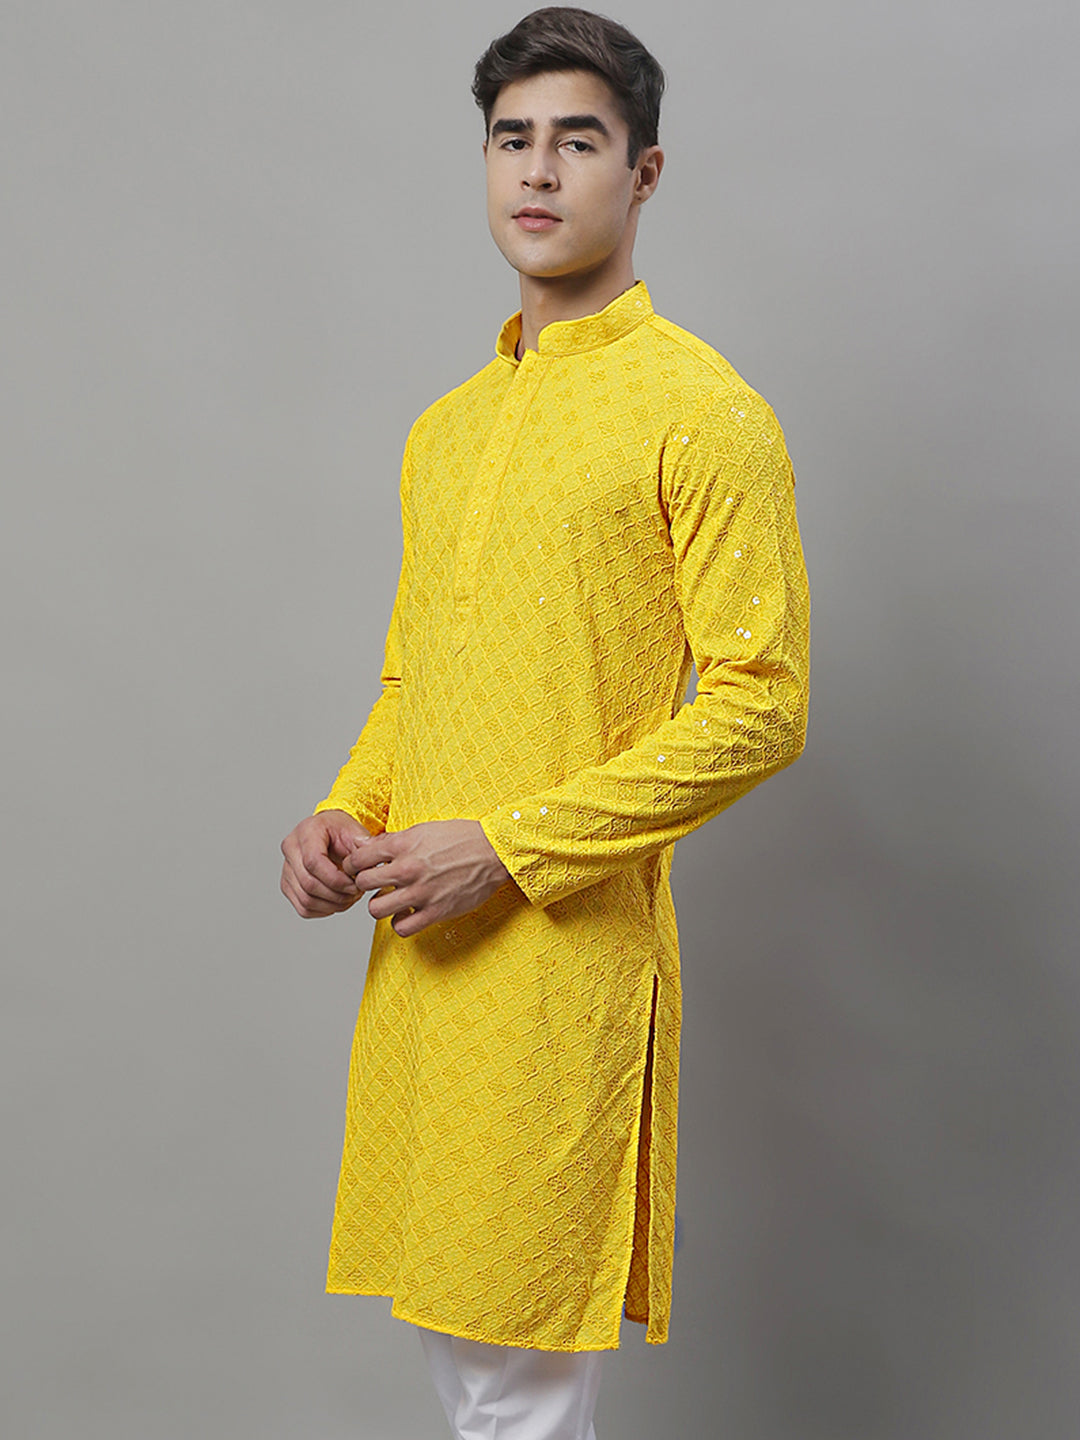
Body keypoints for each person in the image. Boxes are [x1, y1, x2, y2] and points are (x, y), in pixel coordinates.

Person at [279, 8, 810, 1438]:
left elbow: (761, 707)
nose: (537, 169)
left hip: (561, 952)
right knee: (467, 1369)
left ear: (644, 173)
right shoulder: (446, 428)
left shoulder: (705, 412)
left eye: (578, 140)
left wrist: (510, 849)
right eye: (511, 138)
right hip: (422, 945)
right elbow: (414, 680)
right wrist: (345, 812)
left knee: (515, 1381)